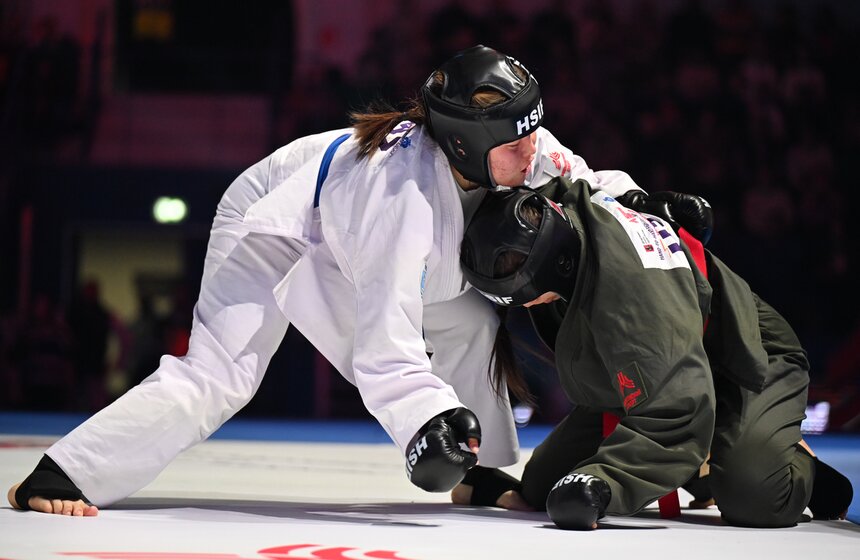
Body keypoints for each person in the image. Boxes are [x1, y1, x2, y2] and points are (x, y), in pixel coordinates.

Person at [8, 45, 708, 517]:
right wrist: (424, 427)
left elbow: (585, 183)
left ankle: (485, 472)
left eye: (534, 132)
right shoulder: (400, 199)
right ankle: (64, 474)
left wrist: (648, 203)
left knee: (468, 319)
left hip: (344, 229)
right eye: (517, 141)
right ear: (464, 140)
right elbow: (384, 339)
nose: (533, 149)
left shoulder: (515, 144)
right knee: (220, 378)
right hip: (276, 224)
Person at [459, 177, 853, 530]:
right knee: (543, 486)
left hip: (741, 358)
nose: (526, 306)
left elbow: (676, 417)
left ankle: (800, 469)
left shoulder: (631, 298)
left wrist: (604, 485)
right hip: (649, 365)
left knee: (754, 497)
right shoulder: (552, 213)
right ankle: (706, 462)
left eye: (527, 296)